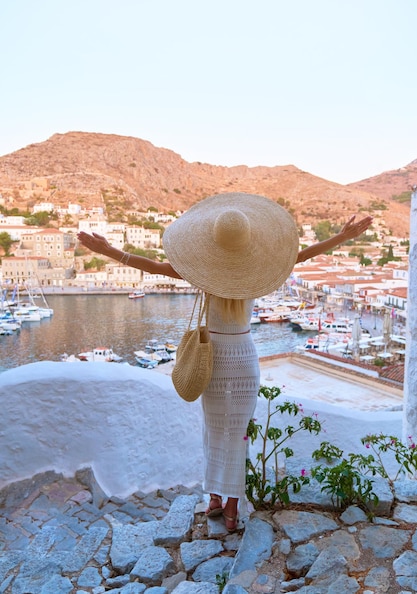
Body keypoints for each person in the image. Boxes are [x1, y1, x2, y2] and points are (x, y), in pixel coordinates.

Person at [77, 192, 372, 532]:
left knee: (213, 431)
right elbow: (299, 256)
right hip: (244, 357)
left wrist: (110, 251)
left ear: (213, 242)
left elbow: (155, 266)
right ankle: (230, 509)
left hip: (213, 358)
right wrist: (341, 237)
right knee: (237, 436)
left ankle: (215, 500)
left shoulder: (202, 272)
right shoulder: (259, 272)